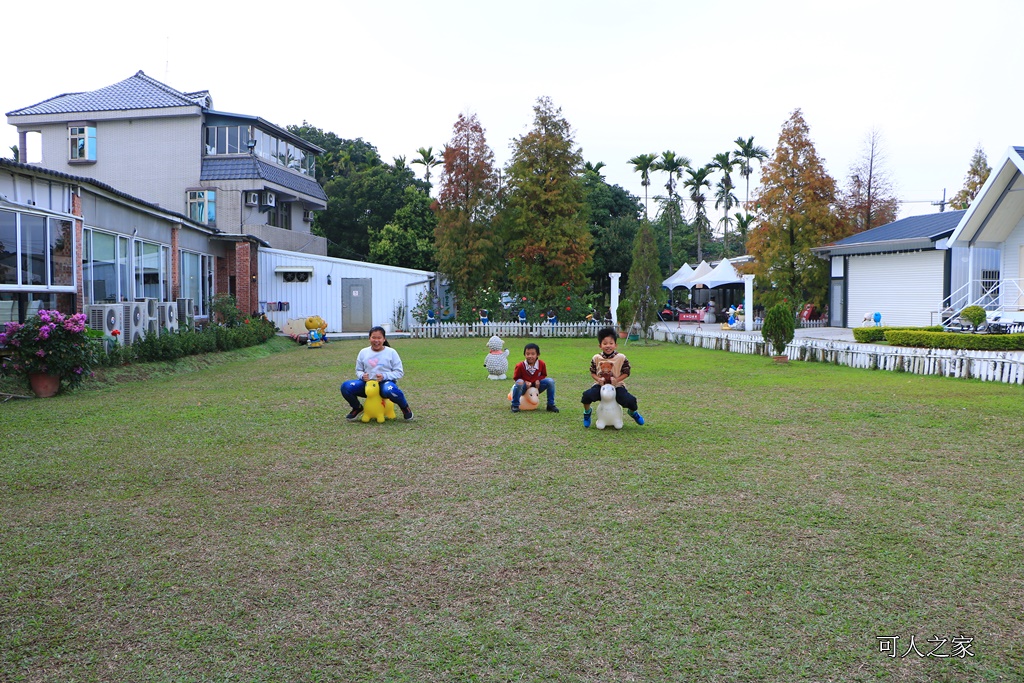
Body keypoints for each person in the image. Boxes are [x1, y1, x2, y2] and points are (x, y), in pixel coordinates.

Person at [340, 326, 414, 421]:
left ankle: (405, 408)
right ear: (369, 338)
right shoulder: (363, 352)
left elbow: (399, 372)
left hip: (385, 384)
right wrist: (362, 376)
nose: (376, 340)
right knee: (346, 386)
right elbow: (358, 370)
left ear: (384, 339)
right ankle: (357, 408)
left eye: (379, 338)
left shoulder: (391, 352)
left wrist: (385, 376)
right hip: (367, 385)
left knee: (391, 390)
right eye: (373, 337)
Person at [580, 327, 644, 427]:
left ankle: (632, 413)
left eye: (611, 343)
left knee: (630, 400)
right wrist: (598, 379)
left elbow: (626, 372)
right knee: (587, 396)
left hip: (617, 386)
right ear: (600, 345)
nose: (608, 346)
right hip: (600, 385)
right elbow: (592, 372)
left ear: (615, 345)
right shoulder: (596, 358)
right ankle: (587, 413)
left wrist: (617, 380)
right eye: (605, 343)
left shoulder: (621, 357)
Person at [511, 342, 559, 413]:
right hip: (524, 387)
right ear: (524, 354)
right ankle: (515, 405)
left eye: (533, 354)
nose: (530, 356)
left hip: (537, 386)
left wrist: (538, 380)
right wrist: (525, 381)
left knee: (550, 381)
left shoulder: (541, 364)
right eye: (528, 354)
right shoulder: (520, 366)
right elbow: (516, 378)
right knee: (519, 382)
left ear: (538, 354)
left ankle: (550, 404)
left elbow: (543, 375)